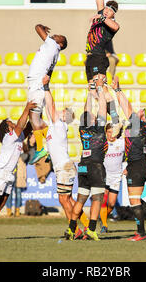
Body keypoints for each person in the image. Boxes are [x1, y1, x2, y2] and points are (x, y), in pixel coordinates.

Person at [111, 76, 146, 241]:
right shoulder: (141, 126)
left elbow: (126, 106)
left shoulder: (138, 124)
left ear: (144, 116)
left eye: (142, 111)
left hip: (138, 166)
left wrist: (118, 90)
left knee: (134, 202)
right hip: (140, 165)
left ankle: (140, 233)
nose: (139, 111)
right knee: (137, 199)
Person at [0, 101, 35, 239]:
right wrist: (27, 108)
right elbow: (21, 125)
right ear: (7, 129)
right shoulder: (8, 137)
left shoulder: (18, 137)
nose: (13, 123)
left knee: (0, 205)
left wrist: (36, 112)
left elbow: (28, 126)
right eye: (10, 123)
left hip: (8, 174)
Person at [42, 75, 89, 237]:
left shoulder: (59, 124)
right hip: (63, 167)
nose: (60, 111)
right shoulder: (55, 126)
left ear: (65, 116)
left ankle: (75, 229)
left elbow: (51, 105)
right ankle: (84, 227)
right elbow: (50, 109)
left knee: (64, 200)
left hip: (64, 167)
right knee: (67, 200)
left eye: (63, 111)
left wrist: (46, 88)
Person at [65, 78, 108, 241]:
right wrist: (100, 88)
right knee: (97, 198)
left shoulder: (83, 129)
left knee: (81, 198)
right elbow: (102, 107)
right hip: (95, 166)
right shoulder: (99, 129)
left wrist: (90, 92)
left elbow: (87, 109)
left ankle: (71, 229)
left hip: (83, 165)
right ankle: (90, 229)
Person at [27, 23, 68, 165]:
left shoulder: (52, 45)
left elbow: (36, 27)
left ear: (60, 44)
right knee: (36, 119)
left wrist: (43, 27)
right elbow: (49, 73)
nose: (55, 35)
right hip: (38, 83)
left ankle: (41, 148)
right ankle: (51, 147)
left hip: (36, 83)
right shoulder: (55, 54)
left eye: (59, 37)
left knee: (33, 118)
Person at [85, 0, 121, 137]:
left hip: (99, 58)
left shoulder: (109, 22)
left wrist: (101, 18)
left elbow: (116, 27)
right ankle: (109, 120)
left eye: (110, 10)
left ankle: (115, 120)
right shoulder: (101, 12)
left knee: (102, 89)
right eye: (106, 8)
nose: (106, 10)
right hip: (90, 58)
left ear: (113, 14)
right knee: (94, 92)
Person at [100, 122, 125, 233]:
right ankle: (104, 225)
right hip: (104, 175)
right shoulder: (103, 144)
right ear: (105, 133)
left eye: (112, 132)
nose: (110, 135)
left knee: (112, 203)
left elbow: (131, 154)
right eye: (108, 132)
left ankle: (103, 217)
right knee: (104, 200)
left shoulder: (121, 143)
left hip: (116, 176)